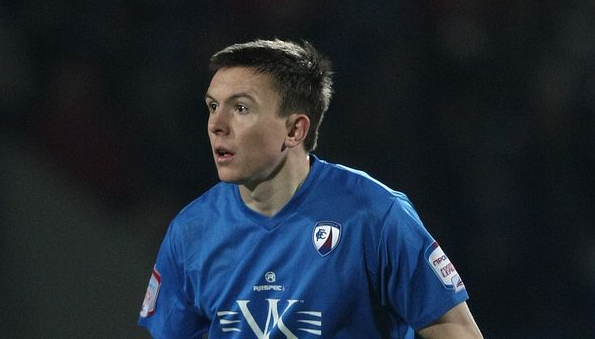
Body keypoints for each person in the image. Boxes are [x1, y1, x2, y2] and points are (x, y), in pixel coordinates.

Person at [137, 39, 483, 338]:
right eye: (213, 106)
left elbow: (454, 329)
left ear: (294, 130)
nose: (216, 124)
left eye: (240, 108)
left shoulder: (374, 214)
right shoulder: (191, 231)